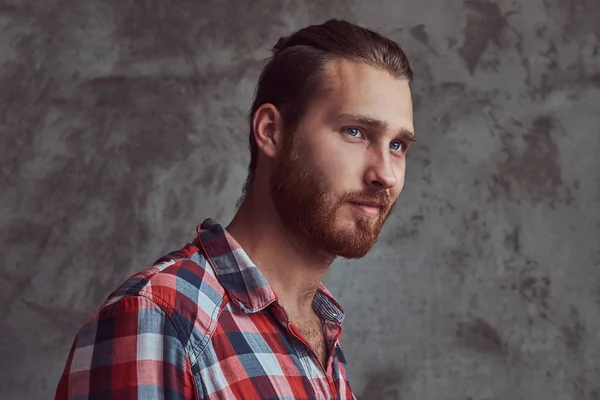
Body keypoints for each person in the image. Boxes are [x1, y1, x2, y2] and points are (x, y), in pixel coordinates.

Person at [55, 18, 415, 400]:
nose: (386, 175)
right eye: (355, 132)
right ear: (271, 131)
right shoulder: (158, 319)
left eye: (397, 145)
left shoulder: (320, 333)